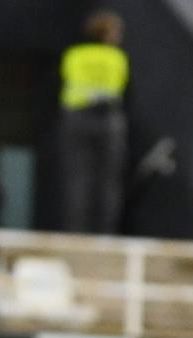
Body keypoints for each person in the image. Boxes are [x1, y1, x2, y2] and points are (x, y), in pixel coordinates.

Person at [59, 10, 130, 234]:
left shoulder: (74, 55)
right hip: (107, 121)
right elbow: (120, 85)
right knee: (108, 182)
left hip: (77, 120)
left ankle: (75, 230)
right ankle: (104, 232)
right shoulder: (117, 58)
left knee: (78, 180)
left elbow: (67, 80)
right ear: (106, 33)